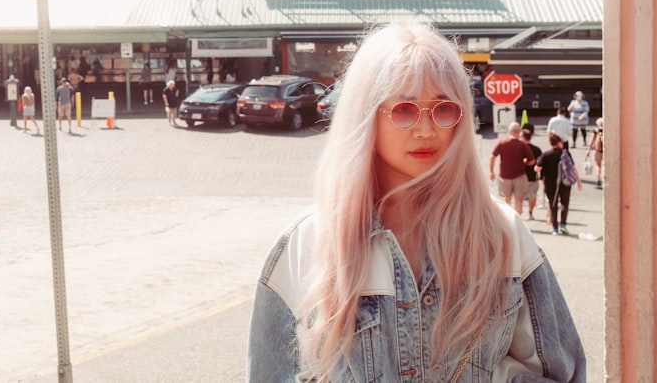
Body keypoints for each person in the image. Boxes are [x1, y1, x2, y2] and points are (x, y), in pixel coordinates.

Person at [247, 21, 585, 381]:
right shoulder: (308, 242)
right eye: (404, 109)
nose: (427, 129)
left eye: (443, 109)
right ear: (365, 115)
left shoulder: (503, 233)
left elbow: (562, 372)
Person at [538, 132, 584, 236]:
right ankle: (563, 225)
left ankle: (555, 229)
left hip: (550, 184)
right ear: (559, 142)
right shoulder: (565, 153)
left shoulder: (546, 154)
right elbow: (573, 167)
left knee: (552, 205)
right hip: (565, 182)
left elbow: (538, 168)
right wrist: (579, 181)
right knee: (565, 203)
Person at [488, 121, 536, 214]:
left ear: (509, 131)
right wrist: (525, 162)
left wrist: (491, 172)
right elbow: (532, 161)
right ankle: (517, 220)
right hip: (520, 176)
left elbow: (492, 157)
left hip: (505, 177)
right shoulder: (522, 145)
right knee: (519, 200)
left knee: (506, 199)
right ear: (519, 133)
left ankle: (507, 220)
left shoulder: (502, 143)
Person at [520, 125, 543, 222]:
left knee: (519, 197)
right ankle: (530, 212)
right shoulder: (537, 149)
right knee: (532, 195)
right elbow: (541, 163)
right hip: (532, 176)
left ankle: (518, 213)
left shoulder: (519, 148)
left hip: (520, 176)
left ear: (522, 137)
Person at [588, 117, 605, 189]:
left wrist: (589, 148)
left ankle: (598, 178)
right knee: (605, 165)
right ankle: (604, 178)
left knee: (598, 165)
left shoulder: (596, 130)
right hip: (605, 150)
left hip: (598, 150)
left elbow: (592, 140)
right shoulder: (607, 130)